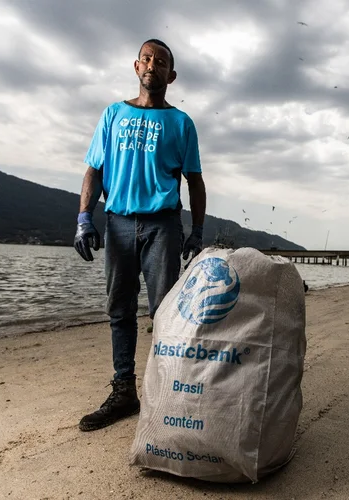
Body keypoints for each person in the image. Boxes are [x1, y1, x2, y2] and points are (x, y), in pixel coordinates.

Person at [73, 39, 207, 432]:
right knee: (120, 310)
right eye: (147, 58)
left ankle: (165, 392)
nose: (153, 65)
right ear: (136, 66)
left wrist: (197, 231)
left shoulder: (182, 123)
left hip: (163, 224)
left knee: (164, 312)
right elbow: (94, 170)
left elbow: (195, 182)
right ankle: (123, 391)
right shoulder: (113, 114)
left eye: (161, 61)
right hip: (117, 223)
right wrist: (84, 216)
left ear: (172, 75)